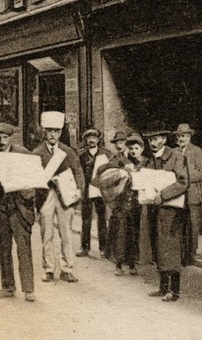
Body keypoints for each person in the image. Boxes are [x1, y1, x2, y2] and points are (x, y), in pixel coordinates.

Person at [0, 122, 37, 301]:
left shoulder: (22, 153)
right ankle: (7, 287)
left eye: (5, 137)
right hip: (1, 208)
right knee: (3, 249)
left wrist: (29, 198)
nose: (1, 141)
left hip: (19, 208)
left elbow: (34, 177)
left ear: (11, 138)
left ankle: (28, 289)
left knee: (23, 248)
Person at [137, 127, 190, 301]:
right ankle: (163, 287)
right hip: (154, 208)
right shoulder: (148, 160)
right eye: (150, 139)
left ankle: (174, 290)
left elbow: (183, 182)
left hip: (171, 210)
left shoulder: (176, 157)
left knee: (170, 247)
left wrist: (163, 195)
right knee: (157, 245)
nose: (152, 142)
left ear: (164, 140)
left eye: (156, 139)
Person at [33, 111, 83, 283]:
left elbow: (78, 173)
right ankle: (48, 268)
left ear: (60, 133)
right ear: (44, 132)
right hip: (45, 195)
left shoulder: (68, 152)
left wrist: (79, 193)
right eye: (49, 131)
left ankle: (66, 268)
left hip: (65, 197)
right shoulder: (37, 153)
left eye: (56, 131)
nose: (52, 134)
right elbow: (33, 177)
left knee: (66, 233)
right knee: (46, 233)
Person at [96, 132, 143, 275]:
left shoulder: (145, 163)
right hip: (121, 204)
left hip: (137, 205)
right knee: (120, 235)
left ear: (141, 149)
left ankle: (132, 264)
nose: (133, 151)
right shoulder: (119, 161)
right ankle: (118, 265)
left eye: (136, 148)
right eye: (131, 148)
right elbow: (102, 173)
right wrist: (121, 173)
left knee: (134, 235)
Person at [174, 123, 202, 266]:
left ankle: (192, 254)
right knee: (180, 225)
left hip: (193, 194)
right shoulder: (174, 152)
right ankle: (182, 253)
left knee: (193, 225)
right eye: (179, 136)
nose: (181, 138)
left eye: (184, 136)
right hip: (177, 194)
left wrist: (186, 177)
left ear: (189, 137)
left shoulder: (197, 151)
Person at [77, 127, 113, 258]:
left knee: (102, 219)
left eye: (94, 138)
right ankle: (85, 248)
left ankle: (103, 248)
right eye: (89, 138)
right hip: (87, 189)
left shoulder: (106, 155)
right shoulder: (81, 155)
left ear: (98, 139)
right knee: (86, 219)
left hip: (100, 190)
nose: (92, 140)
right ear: (86, 140)